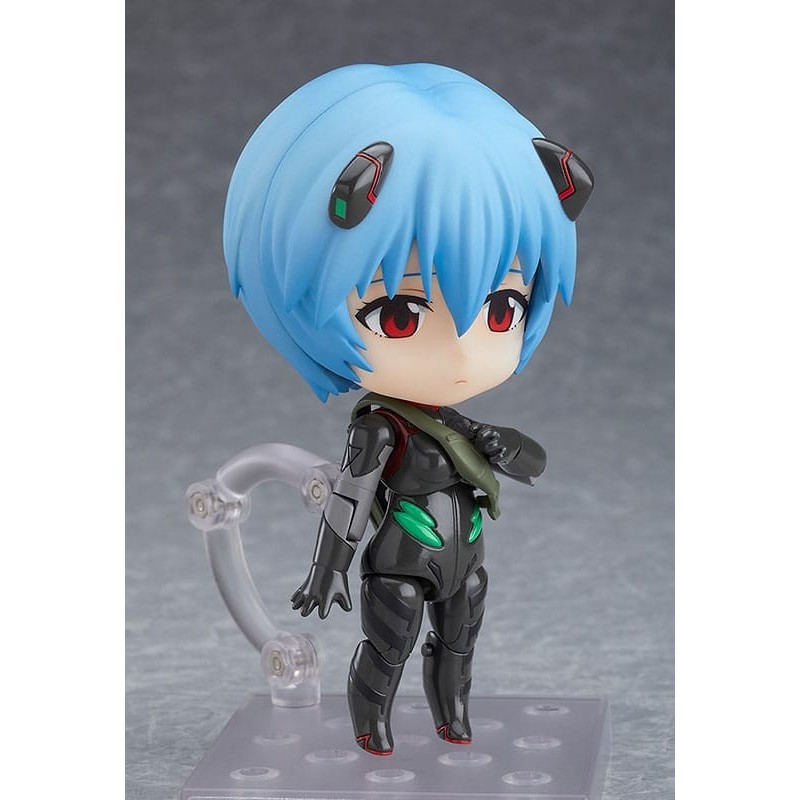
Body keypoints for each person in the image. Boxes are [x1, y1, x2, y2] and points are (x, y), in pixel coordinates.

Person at [223, 63, 593, 755]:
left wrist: (500, 445)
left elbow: (531, 462)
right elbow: (352, 494)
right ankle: (373, 726)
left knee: (460, 642)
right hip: (399, 562)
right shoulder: (381, 426)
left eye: (501, 308)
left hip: (464, 557)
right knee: (389, 645)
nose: (461, 351)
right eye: (399, 315)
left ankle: (454, 716)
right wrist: (328, 568)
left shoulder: (464, 427)